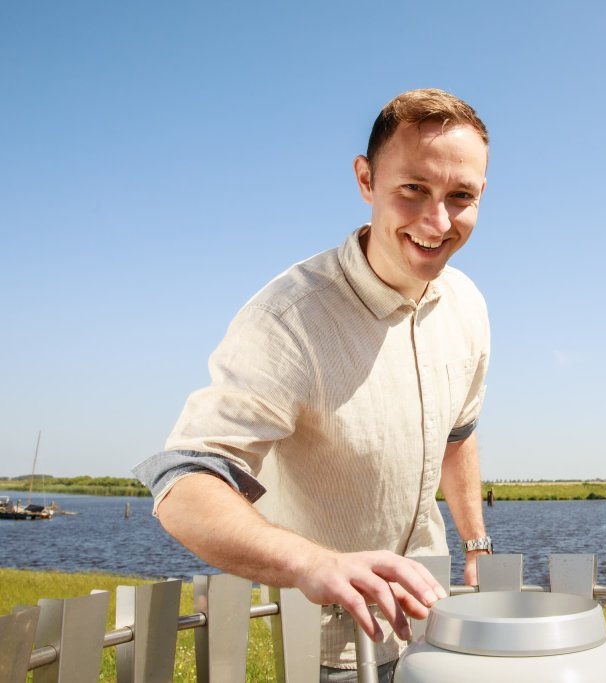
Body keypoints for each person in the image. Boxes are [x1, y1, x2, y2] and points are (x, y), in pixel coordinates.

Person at [133, 88, 493, 681]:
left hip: (435, 620)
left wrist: (475, 546)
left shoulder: (468, 304)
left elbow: (459, 433)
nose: (438, 221)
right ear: (365, 179)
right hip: (331, 644)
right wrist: (313, 564)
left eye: (461, 197)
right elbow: (185, 484)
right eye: (413, 189)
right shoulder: (285, 320)